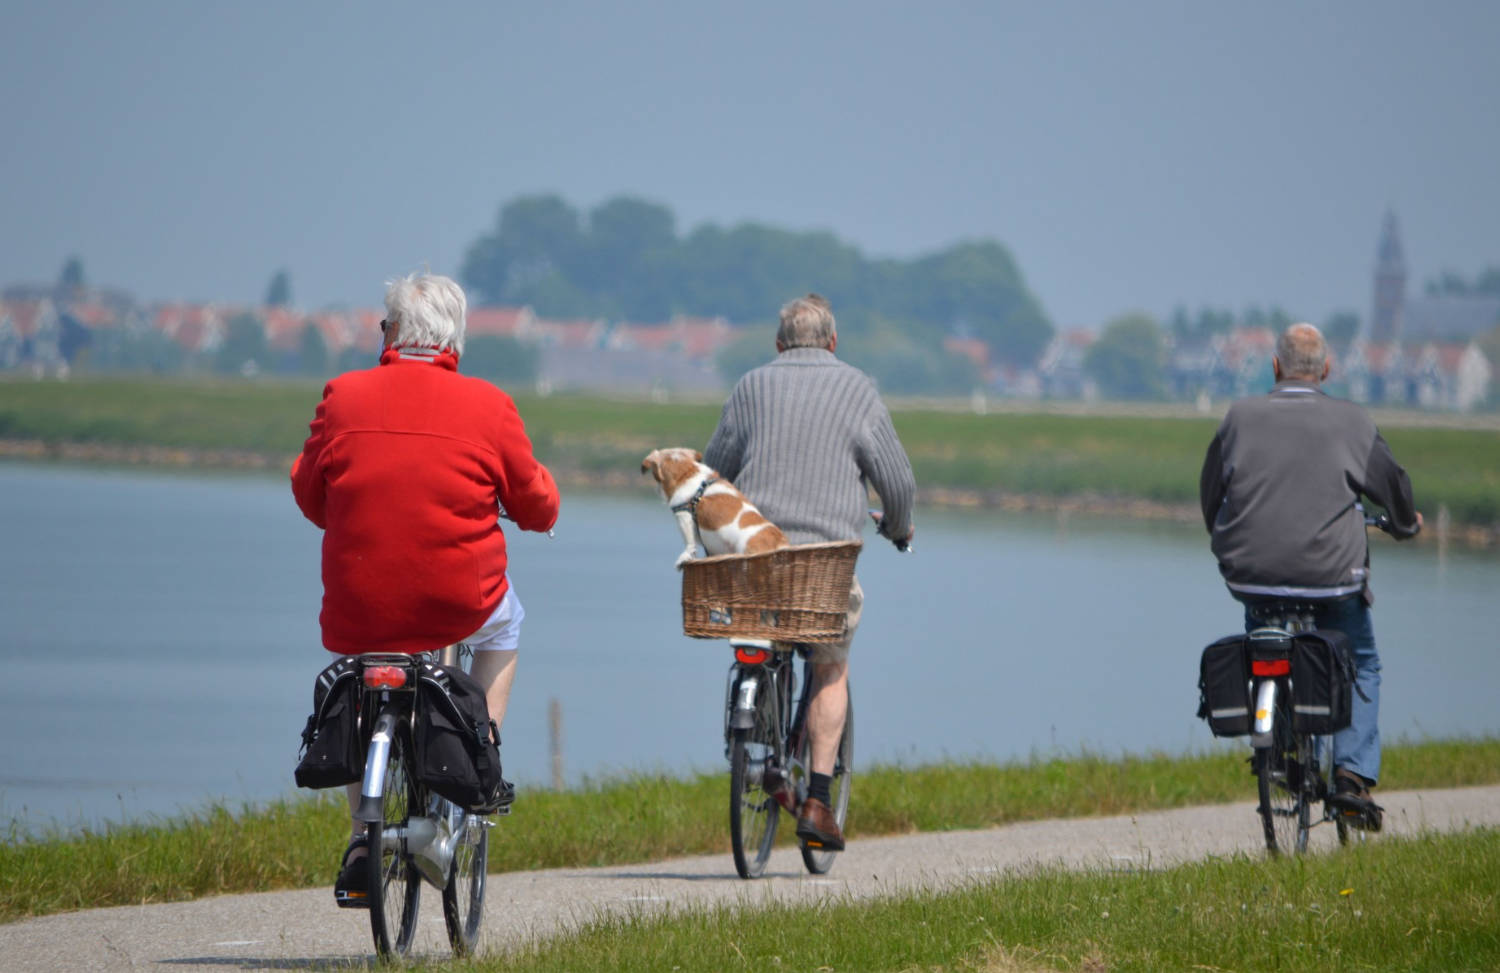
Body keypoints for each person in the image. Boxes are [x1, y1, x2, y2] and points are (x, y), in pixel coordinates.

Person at [291, 272, 559, 903]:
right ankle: (481, 757)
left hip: (360, 606)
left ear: (391, 334)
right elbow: (535, 501)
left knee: (362, 673)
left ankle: (365, 835)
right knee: (507, 623)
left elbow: (309, 494)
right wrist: (542, 509)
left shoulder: (342, 395)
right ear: (454, 342)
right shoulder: (490, 406)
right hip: (457, 601)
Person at [704, 293, 916, 851]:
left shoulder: (750, 386)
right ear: (833, 342)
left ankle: (756, 737)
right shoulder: (858, 390)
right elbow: (897, 483)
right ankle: (819, 800)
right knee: (829, 667)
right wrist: (898, 527)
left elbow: (712, 474)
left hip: (755, 563)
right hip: (825, 567)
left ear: (777, 345)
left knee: (760, 633)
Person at [1199, 322, 1421, 828]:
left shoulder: (1238, 417)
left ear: (1274, 368)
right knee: (1361, 663)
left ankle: (1275, 745)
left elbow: (1211, 492)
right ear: (1326, 370)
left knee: (1265, 646)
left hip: (1252, 574)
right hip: (1332, 578)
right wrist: (1406, 526)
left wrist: (1224, 538)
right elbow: (1394, 487)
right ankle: (1351, 777)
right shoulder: (1353, 421)